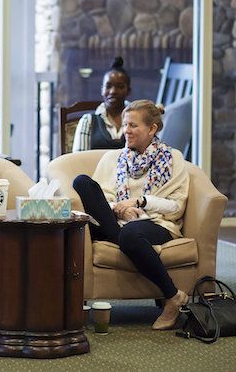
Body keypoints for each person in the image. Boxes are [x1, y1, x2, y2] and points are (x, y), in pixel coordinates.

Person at [72, 100, 189, 330]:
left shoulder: (172, 158)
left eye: (133, 125)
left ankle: (172, 296)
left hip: (155, 223)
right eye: (125, 125)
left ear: (152, 129)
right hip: (115, 221)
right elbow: (103, 199)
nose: (126, 130)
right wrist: (119, 207)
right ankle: (121, 237)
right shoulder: (113, 158)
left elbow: (176, 207)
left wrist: (140, 202)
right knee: (81, 182)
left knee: (131, 235)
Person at [72, 56, 131, 152]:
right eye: (108, 86)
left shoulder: (139, 121)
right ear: (102, 90)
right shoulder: (88, 121)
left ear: (128, 91)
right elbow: (78, 158)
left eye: (120, 87)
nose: (113, 91)